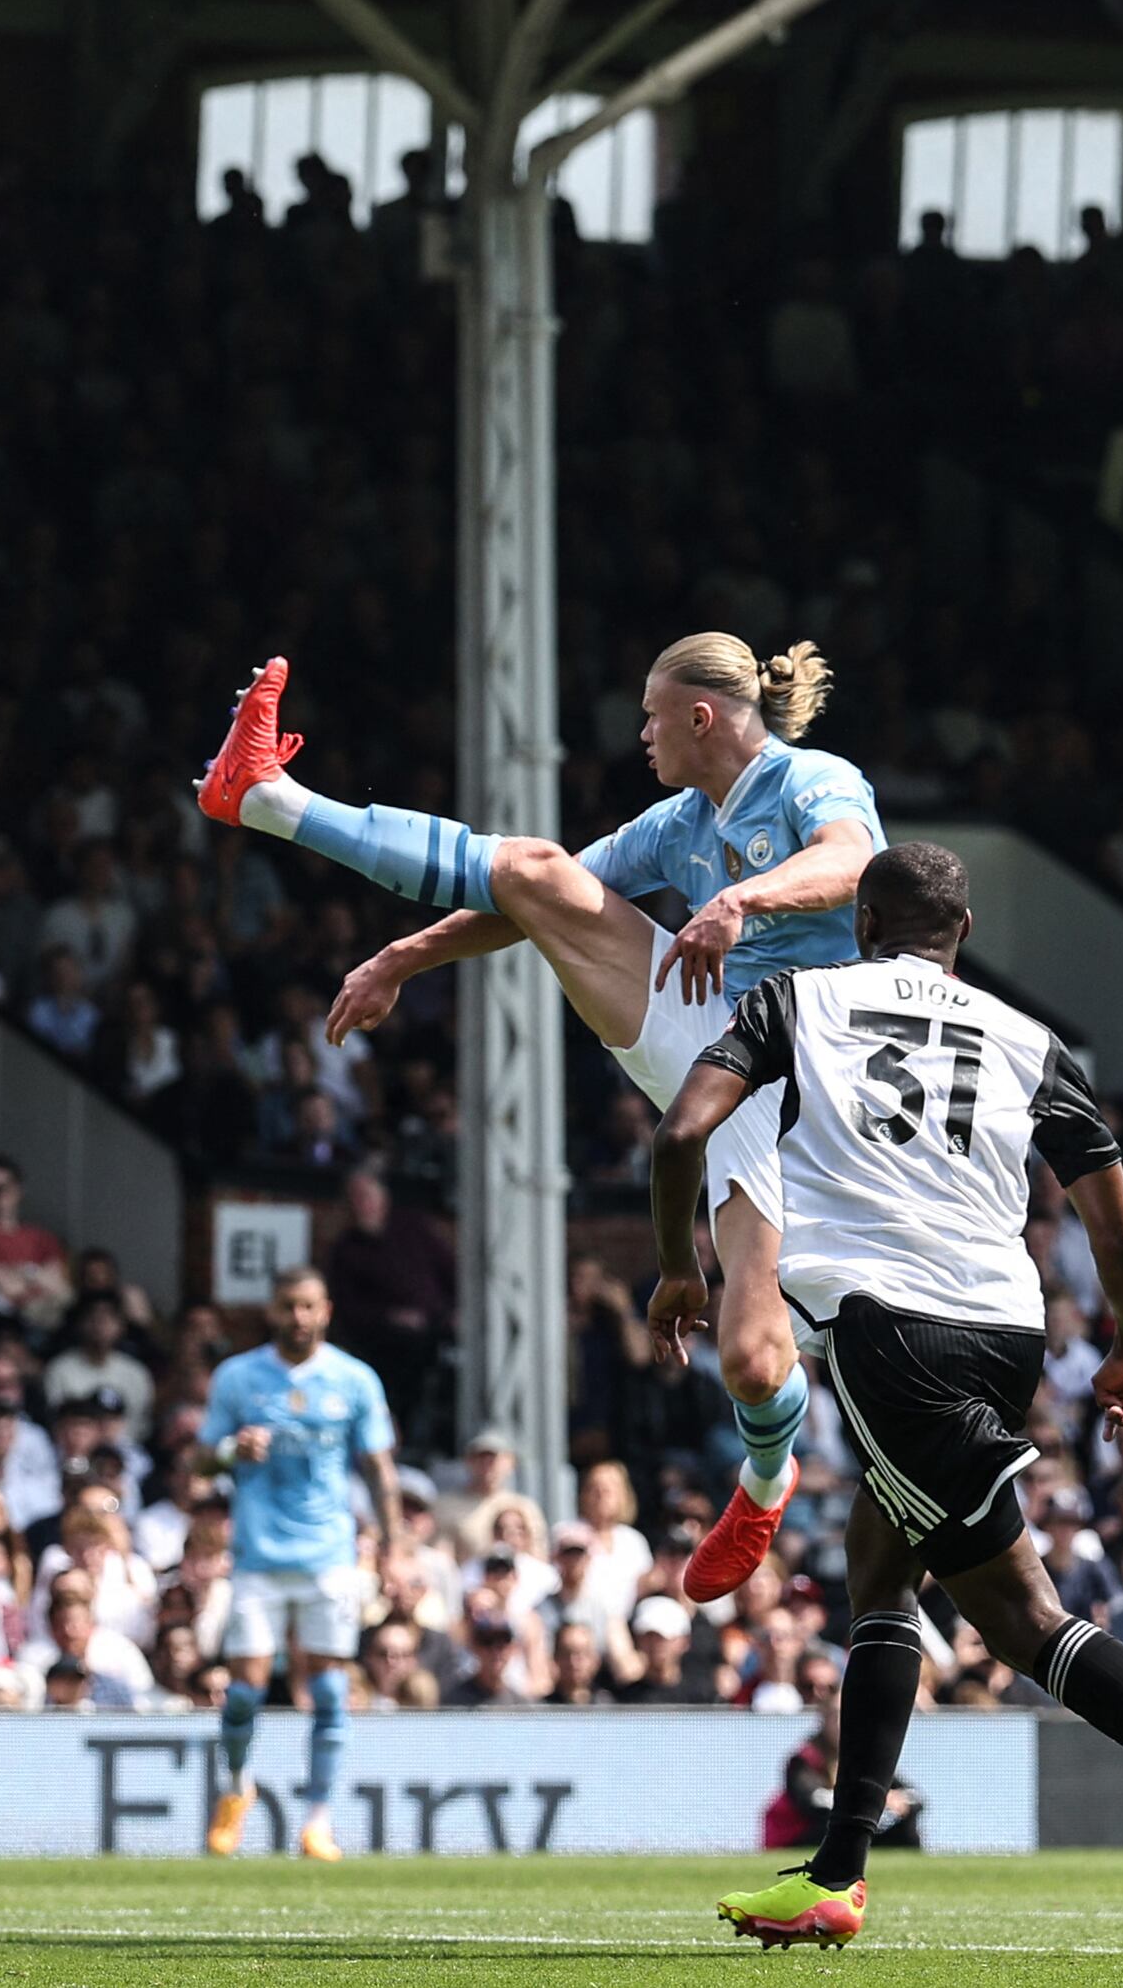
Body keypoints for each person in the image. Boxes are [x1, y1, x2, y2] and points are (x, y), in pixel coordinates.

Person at [653, 840, 1123, 1943]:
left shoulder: (802, 998)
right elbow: (1115, 1229)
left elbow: (683, 1128)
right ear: (961, 933)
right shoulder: (1031, 1040)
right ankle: (836, 1869)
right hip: (1006, 1329)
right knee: (880, 1562)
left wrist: (682, 1265)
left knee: (1021, 1619)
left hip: (889, 1331)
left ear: (861, 925)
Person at [207, 629, 872, 1597]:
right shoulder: (675, 822)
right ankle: (269, 798)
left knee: (754, 1362)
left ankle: (765, 1479)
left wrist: (741, 900)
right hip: (710, 1042)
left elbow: (851, 860)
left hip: (805, 1078)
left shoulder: (811, 779)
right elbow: (524, 892)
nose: (639, 732)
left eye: (651, 714)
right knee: (533, 866)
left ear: (700, 717)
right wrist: (400, 957)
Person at [192, 1266, 408, 1860]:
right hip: (258, 1557)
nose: (299, 1317)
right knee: (242, 1694)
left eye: (309, 1306)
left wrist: (394, 1546)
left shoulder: (354, 1380)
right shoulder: (237, 1377)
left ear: (327, 1310)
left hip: (328, 1557)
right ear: (272, 1310)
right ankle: (236, 1788)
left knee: (332, 1693)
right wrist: (230, 1450)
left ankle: (318, 1820)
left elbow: (379, 1470)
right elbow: (198, 1462)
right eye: (289, 1306)